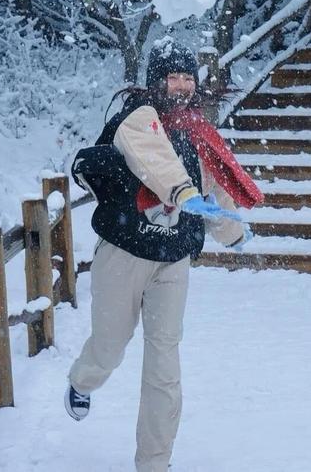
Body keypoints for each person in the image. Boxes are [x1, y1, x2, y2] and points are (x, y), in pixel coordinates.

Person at [66, 37, 263, 472]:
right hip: (124, 254)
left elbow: (212, 187)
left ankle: (154, 463)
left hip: (172, 261)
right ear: (156, 81)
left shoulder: (196, 131)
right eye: (172, 77)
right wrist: (184, 193)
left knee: (164, 362)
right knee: (109, 346)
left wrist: (231, 233)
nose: (180, 86)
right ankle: (83, 379)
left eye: (187, 77)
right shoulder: (137, 119)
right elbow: (157, 162)